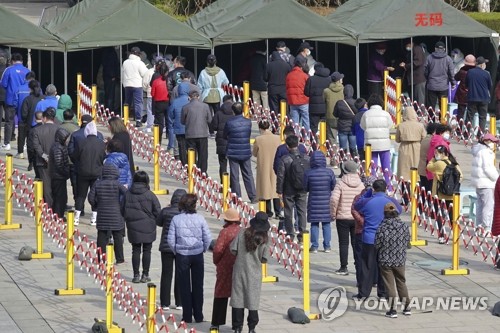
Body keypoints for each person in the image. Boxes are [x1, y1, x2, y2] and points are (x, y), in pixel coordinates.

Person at [353, 179, 402, 300]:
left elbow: (356, 205)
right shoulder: (390, 201)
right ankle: (383, 293)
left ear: (373, 189)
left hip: (369, 238)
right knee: (384, 266)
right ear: (385, 189)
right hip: (386, 238)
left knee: (367, 266)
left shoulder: (367, 201)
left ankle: (363, 293)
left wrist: (368, 193)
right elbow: (399, 210)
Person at [167, 193, 211, 323]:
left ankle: (187, 316)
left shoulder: (176, 219)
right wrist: (203, 248)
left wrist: (176, 250)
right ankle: (198, 315)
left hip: (182, 255)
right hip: (197, 254)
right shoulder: (200, 218)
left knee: (184, 286)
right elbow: (207, 238)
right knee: (198, 285)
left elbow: (170, 239)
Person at [230, 211, 270, 333]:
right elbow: (264, 259)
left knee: (238, 299)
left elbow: (233, 249)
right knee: (253, 300)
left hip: (239, 270)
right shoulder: (264, 239)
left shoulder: (242, 233)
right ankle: (251, 328)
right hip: (254, 274)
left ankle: (237, 327)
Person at [122, 171, 161, 283]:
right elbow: (158, 212)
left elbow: (122, 209)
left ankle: (135, 275)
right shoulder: (150, 195)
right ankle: (145, 274)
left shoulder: (128, 194)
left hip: (133, 226)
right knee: (147, 250)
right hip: (148, 226)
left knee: (136, 250)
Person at [375, 202, 411, 318]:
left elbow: (377, 245)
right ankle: (406, 307)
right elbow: (408, 244)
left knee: (389, 285)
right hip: (400, 260)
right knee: (401, 282)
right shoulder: (404, 226)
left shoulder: (381, 227)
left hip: (385, 261)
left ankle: (392, 309)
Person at [88, 164, 127, 264]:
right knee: (117, 236)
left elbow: (91, 198)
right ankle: (119, 258)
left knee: (101, 237)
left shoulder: (97, 184)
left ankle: (101, 258)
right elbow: (127, 194)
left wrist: (96, 205)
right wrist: (121, 206)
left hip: (102, 214)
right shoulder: (117, 184)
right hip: (116, 214)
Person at [330, 160, 364, 275]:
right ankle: (358, 265)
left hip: (342, 217)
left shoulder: (340, 183)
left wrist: (333, 213)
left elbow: (334, 199)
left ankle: (343, 267)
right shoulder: (361, 183)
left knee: (343, 243)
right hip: (356, 217)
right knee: (356, 244)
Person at [210, 208, 241, 331]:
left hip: (224, 267)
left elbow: (218, 249)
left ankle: (216, 322)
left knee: (220, 294)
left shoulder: (225, 232)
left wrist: (216, 261)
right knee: (237, 296)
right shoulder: (242, 232)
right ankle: (237, 324)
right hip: (238, 266)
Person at [157, 188, 186, 310]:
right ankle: (179, 302)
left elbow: (158, 222)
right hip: (181, 247)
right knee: (180, 274)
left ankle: (165, 303)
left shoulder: (166, 211)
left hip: (166, 246)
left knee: (166, 274)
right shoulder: (186, 214)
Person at [426, 145, 463, 243]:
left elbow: (428, 167)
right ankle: (455, 234)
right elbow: (461, 176)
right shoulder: (454, 163)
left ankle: (441, 236)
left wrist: (433, 159)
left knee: (439, 216)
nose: (436, 155)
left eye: (437, 153)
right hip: (452, 194)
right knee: (452, 216)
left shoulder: (438, 163)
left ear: (443, 154)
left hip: (440, 194)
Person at [73, 121, 106, 226]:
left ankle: (76, 217)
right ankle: (94, 218)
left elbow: (75, 156)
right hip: (97, 172)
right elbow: (103, 157)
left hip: (82, 172)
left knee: (81, 195)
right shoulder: (101, 143)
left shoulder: (81, 142)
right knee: (95, 195)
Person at [276, 135, 308, 243]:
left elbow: (281, 176)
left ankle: (290, 234)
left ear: (287, 146)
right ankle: (302, 234)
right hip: (302, 189)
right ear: (298, 144)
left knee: (288, 212)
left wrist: (279, 191)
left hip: (288, 190)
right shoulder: (305, 157)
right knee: (302, 212)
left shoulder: (285, 159)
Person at [224, 102, 257, 202]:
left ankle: (237, 197)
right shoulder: (248, 122)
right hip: (245, 150)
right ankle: (253, 196)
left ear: (233, 111)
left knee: (234, 175)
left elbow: (225, 135)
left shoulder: (229, 122)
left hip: (233, 151)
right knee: (248, 174)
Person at [304, 150, 335, 253]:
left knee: (314, 224)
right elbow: (333, 186)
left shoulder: (309, 173)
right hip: (326, 202)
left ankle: (314, 246)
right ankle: (327, 246)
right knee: (326, 224)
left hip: (313, 201)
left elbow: (306, 187)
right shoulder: (329, 172)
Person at [360, 94, 394, 188]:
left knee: (372, 166)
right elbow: (390, 125)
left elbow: (362, 126)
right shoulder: (385, 114)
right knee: (386, 166)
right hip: (384, 144)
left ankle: (373, 186)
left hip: (370, 145)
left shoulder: (366, 114)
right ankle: (389, 186)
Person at [351, 174, 377, 288]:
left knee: (361, 258)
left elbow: (354, 210)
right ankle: (369, 280)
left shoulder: (359, 197)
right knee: (371, 258)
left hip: (361, 231)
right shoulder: (361, 197)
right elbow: (354, 210)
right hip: (368, 231)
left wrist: (362, 221)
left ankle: (364, 280)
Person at [253, 119, 282, 218]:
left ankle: (268, 212)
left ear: (260, 128)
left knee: (265, 189)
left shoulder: (258, 139)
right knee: (275, 189)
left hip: (264, 165)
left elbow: (254, 153)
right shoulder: (277, 138)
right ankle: (278, 211)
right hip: (276, 165)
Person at [471, 133, 499, 233]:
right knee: (488, 205)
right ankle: (487, 227)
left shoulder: (478, 150)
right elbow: (488, 169)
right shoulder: (486, 152)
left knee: (480, 205)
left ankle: (479, 226)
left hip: (479, 182)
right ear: (487, 141)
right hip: (486, 182)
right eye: (493, 142)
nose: (494, 144)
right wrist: (497, 178)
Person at [1, 52, 29, 150]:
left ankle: (7, 143)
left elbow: (3, 84)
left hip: (10, 99)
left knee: (9, 122)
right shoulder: (27, 71)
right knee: (24, 122)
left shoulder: (8, 70)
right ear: (22, 61)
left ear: (12, 61)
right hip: (23, 100)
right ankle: (24, 143)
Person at [31, 107, 59, 207]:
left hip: (42, 162)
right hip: (56, 162)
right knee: (57, 186)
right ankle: (57, 209)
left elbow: (36, 146)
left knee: (46, 187)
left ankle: (48, 208)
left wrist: (44, 155)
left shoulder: (37, 130)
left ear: (44, 118)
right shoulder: (59, 129)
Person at [181, 90, 212, 174]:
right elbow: (209, 120)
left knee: (191, 154)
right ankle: (203, 171)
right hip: (202, 133)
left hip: (190, 134)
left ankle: (192, 170)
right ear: (198, 97)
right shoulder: (205, 106)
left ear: (189, 98)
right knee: (203, 154)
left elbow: (182, 121)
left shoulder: (185, 107)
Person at [395, 106, 426, 181]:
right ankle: (416, 187)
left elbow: (397, 139)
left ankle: (405, 188)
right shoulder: (420, 125)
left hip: (404, 148)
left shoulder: (401, 126)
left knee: (404, 169)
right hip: (417, 148)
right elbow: (424, 138)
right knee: (416, 168)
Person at [198, 54, 229, 124]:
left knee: (208, 115)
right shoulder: (221, 71)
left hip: (207, 95)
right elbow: (226, 82)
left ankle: (211, 130)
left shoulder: (203, 72)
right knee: (218, 113)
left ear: (207, 62)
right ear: (215, 62)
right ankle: (217, 128)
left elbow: (199, 86)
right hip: (218, 95)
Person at [424, 41, 456, 109]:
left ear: (435, 48)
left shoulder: (429, 57)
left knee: (431, 107)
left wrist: (428, 79)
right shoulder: (448, 59)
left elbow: (425, 71)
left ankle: (431, 119)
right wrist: (453, 83)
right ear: (444, 49)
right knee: (443, 107)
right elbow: (451, 73)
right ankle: (442, 119)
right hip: (444, 86)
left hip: (432, 85)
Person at [466, 56, 492, 135]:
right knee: (482, 118)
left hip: (472, 97)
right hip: (484, 99)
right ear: (481, 65)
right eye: (484, 63)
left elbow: (466, 84)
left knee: (469, 116)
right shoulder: (487, 74)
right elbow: (490, 86)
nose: (485, 65)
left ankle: (466, 135)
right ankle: (480, 135)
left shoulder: (470, 72)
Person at [122, 46, 148, 128]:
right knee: (138, 103)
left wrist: (123, 83)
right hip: (137, 85)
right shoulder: (140, 63)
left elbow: (122, 74)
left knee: (127, 102)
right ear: (138, 54)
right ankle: (138, 120)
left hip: (127, 84)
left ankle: (125, 118)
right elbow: (145, 74)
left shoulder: (125, 62)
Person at [21, 80, 44, 169]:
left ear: (30, 89)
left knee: (30, 145)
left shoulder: (27, 99)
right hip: (42, 125)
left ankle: (31, 162)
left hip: (30, 126)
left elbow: (24, 114)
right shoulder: (43, 98)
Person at [211, 95, 234, 182]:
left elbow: (214, 126)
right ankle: (233, 184)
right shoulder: (235, 112)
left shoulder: (218, 113)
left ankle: (223, 184)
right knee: (233, 165)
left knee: (222, 164)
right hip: (233, 141)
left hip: (221, 141)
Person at [49, 128, 71, 218]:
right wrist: (66, 172)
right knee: (59, 197)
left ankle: (58, 214)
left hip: (58, 176)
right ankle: (58, 215)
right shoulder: (58, 147)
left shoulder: (58, 146)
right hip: (58, 176)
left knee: (60, 197)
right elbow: (59, 164)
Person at [304, 63, 331, 134]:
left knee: (313, 127)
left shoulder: (311, 79)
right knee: (325, 127)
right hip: (326, 107)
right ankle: (325, 143)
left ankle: (314, 143)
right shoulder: (329, 79)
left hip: (314, 108)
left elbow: (306, 93)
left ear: (315, 70)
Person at [14, 71, 36, 158]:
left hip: (21, 115)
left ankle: (20, 152)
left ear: (25, 78)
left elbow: (15, 102)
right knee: (31, 136)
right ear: (33, 79)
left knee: (21, 134)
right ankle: (31, 153)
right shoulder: (37, 89)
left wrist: (17, 111)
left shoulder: (19, 88)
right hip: (33, 117)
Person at [286, 58, 310, 132]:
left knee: (294, 121)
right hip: (303, 101)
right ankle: (306, 137)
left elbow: (287, 88)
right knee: (306, 119)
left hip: (292, 101)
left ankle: (296, 136)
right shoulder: (305, 76)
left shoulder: (289, 75)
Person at [399, 40, 426, 106]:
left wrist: (406, 66)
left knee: (419, 98)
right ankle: (415, 111)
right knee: (414, 98)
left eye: (407, 46)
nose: (407, 47)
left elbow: (417, 62)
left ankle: (420, 113)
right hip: (413, 79)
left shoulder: (417, 49)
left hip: (418, 78)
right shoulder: (412, 50)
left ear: (410, 43)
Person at [334, 84, 358, 158]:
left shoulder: (339, 103)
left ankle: (343, 160)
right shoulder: (356, 102)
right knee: (353, 146)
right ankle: (354, 160)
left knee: (343, 147)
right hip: (352, 127)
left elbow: (335, 114)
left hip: (342, 126)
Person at [168, 82, 189, 166]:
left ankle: (184, 164)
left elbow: (170, 115)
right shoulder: (189, 100)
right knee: (190, 146)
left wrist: (173, 123)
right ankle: (191, 162)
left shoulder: (174, 102)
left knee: (181, 147)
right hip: (189, 128)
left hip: (178, 127)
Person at [323, 71, 344, 146]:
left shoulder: (326, 91)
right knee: (342, 137)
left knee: (332, 138)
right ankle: (343, 154)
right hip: (341, 116)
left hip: (330, 116)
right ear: (338, 80)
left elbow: (323, 101)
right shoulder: (343, 90)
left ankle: (334, 154)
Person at [151, 62, 170, 144]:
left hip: (158, 103)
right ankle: (169, 137)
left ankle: (159, 138)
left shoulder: (156, 81)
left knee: (160, 122)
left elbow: (152, 93)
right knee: (169, 121)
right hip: (168, 102)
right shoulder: (169, 80)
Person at [454, 54, 476, 122]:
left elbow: (456, 78)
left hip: (462, 94)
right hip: (472, 95)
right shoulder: (475, 72)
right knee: (470, 114)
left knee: (460, 113)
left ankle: (458, 129)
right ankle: (468, 130)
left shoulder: (462, 71)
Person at [417, 122, 438, 193]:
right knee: (430, 190)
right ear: (434, 131)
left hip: (421, 168)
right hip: (429, 169)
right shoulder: (433, 141)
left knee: (423, 189)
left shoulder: (424, 139)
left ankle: (422, 203)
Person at [250, 46, 269, 110]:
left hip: (253, 82)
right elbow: (266, 71)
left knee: (256, 100)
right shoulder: (264, 59)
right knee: (265, 100)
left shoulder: (252, 58)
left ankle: (257, 114)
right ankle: (266, 115)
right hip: (263, 83)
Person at [101, 47, 120, 113]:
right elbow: (113, 64)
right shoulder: (111, 52)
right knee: (111, 95)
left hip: (106, 76)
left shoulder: (105, 52)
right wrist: (114, 75)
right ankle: (110, 110)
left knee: (108, 94)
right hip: (111, 77)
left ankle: (108, 109)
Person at [27, 111, 43, 176]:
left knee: (38, 176)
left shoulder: (32, 130)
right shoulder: (47, 128)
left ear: (35, 119)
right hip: (47, 155)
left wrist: (30, 160)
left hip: (36, 156)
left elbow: (30, 146)